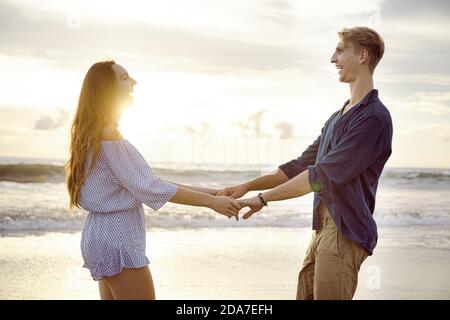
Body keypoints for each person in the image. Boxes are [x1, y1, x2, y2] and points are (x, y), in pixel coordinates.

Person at [223, 27, 393, 300]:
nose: (332, 59)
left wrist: (263, 199)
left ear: (363, 55)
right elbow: (301, 165)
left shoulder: (373, 118)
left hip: (344, 232)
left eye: (340, 50)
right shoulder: (338, 116)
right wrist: (247, 186)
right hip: (322, 231)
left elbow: (322, 175)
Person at [65, 61, 240, 300]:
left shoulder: (92, 134)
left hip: (98, 235)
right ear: (108, 88)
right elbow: (149, 187)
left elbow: (146, 181)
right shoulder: (109, 135)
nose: (134, 82)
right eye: (125, 77)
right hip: (118, 239)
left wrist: (213, 193)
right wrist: (210, 203)